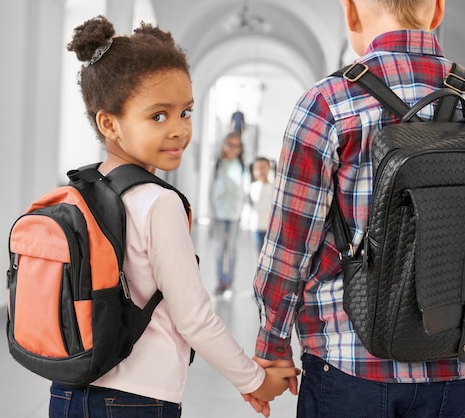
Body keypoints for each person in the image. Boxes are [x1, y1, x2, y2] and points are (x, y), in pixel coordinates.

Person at [252, 1, 465, 417]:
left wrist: (273, 343)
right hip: (449, 364)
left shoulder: (328, 103)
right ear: (438, 10)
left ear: (350, 12)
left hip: (349, 361)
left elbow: (290, 246)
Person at [57, 15, 298, 418]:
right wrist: (254, 381)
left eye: (185, 112)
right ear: (109, 123)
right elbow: (195, 318)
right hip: (136, 399)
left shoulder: (80, 189)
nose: (179, 130)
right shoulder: (158, 202)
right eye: (158, 116)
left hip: (68, 390)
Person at [210, 132, 246, 297]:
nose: (233, 148)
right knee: (219, 249)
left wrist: (244, 214)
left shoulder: (242, 166)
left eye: (236, 145)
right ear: (224, 145)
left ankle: (229, 282)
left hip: (235, 214)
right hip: (219, 213)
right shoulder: (218, 164)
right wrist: (211, 213)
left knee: (231, 250)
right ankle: (220, 282)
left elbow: (244, 191)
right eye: (229, 144)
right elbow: (211, 190)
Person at [248, 157, 274, 253]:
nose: (261, 171)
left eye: (264, 167)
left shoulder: (273, 188)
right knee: (260, 254)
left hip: (270, 228)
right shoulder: (251, 187)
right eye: (258, 168)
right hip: (257, 227)